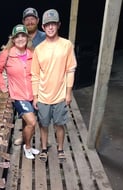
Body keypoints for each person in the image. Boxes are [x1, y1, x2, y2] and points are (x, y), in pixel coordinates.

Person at [31, 9, 77, 162]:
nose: (50, 28)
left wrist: (68, 93)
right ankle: (44, 148)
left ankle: (60, 149)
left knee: (59, 124)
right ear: (43, 27)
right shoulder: (39, 49)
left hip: (60, 95)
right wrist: (35, 96)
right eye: (47, 25)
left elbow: (70, 70)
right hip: (43, 95)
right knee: (43, 124)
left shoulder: (66, 45)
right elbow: (35, 75)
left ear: (58, 25)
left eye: (53, 24)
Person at [0, 24, 39, 159]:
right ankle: (28, 147)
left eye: (23, 35)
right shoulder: (6, 54)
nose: (20, 39)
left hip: (33, 94)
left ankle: (25, 141)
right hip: (18, 95)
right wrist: (3, 87)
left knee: (27, 122)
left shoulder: (33, 53)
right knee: (32, 122)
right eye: (17, 36)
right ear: (12, 39)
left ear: (27, 37)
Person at [14, 7, 46, 146]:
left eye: (33, 18)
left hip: (42, 81)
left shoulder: (45, 37)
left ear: (38, 21)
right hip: (24, 84)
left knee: (43, 113)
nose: (30, 21)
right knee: (25, 114)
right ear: (23, 22)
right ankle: (24, 137)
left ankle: (43, 140)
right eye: (27, 19)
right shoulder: (20, 37)